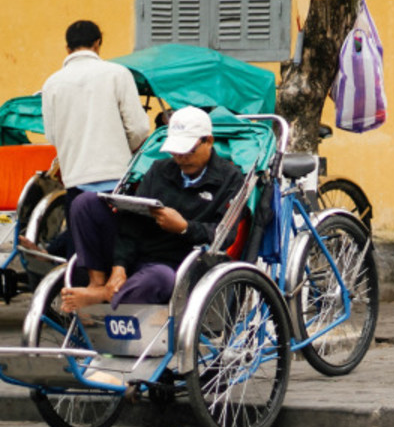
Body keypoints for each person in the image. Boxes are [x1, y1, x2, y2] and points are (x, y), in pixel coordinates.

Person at [60, 107, 244, 312]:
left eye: (188, 150)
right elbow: (132, 221)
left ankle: (105, 295)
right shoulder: (159, 169)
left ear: (208, 141)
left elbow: (224, 234)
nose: (181, 157)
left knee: (158, 279)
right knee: (86, 203)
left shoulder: (231, 178)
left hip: (176, 264)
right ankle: (97, 284)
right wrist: (119, 266)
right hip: (137, 250)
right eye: (176, 151)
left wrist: (184, 227)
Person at [37, 20, 150, 256]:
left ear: (67, 49)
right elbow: (139, 129)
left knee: (82, 255)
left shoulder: (52, 84)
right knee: (119, 254)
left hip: (76, 183)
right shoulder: (117, 74)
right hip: (117, 183)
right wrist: (122, 149)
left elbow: (52, 135)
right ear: (98, 44)